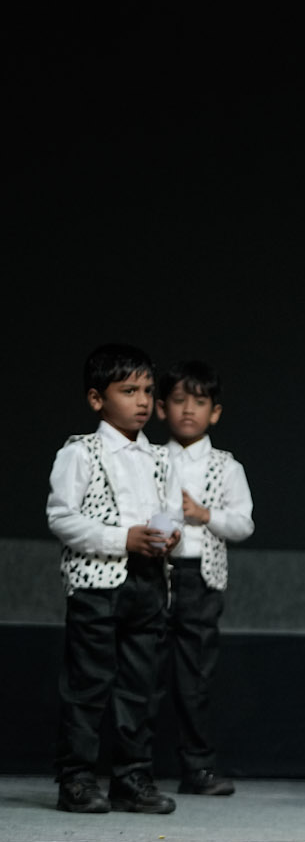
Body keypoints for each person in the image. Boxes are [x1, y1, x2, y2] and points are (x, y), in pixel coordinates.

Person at [47, 343, 178, 815]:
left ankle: (131, 778)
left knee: (140, 686)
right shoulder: (80, 452)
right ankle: (77, 779)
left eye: (147, 390)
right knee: (88, 684)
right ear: (97, 399)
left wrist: (171, 535)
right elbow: (62, 517)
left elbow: (172, 511)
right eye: (128, 391)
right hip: (97, 584)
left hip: (148, 581)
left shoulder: (161, 457)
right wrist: (122, 538)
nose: (142, 401)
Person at [155, 359, 254, 798]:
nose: (188, 410)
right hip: (154, 574)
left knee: (194, 676)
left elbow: (243, 523)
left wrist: (204, 514)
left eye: (198, 402)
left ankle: (197, 767)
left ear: (215, 412)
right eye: (179, 401)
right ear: (162, 408)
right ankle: (132, 767)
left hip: (200, 577)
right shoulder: (151, 458)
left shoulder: (226, 466)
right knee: (143, 671)